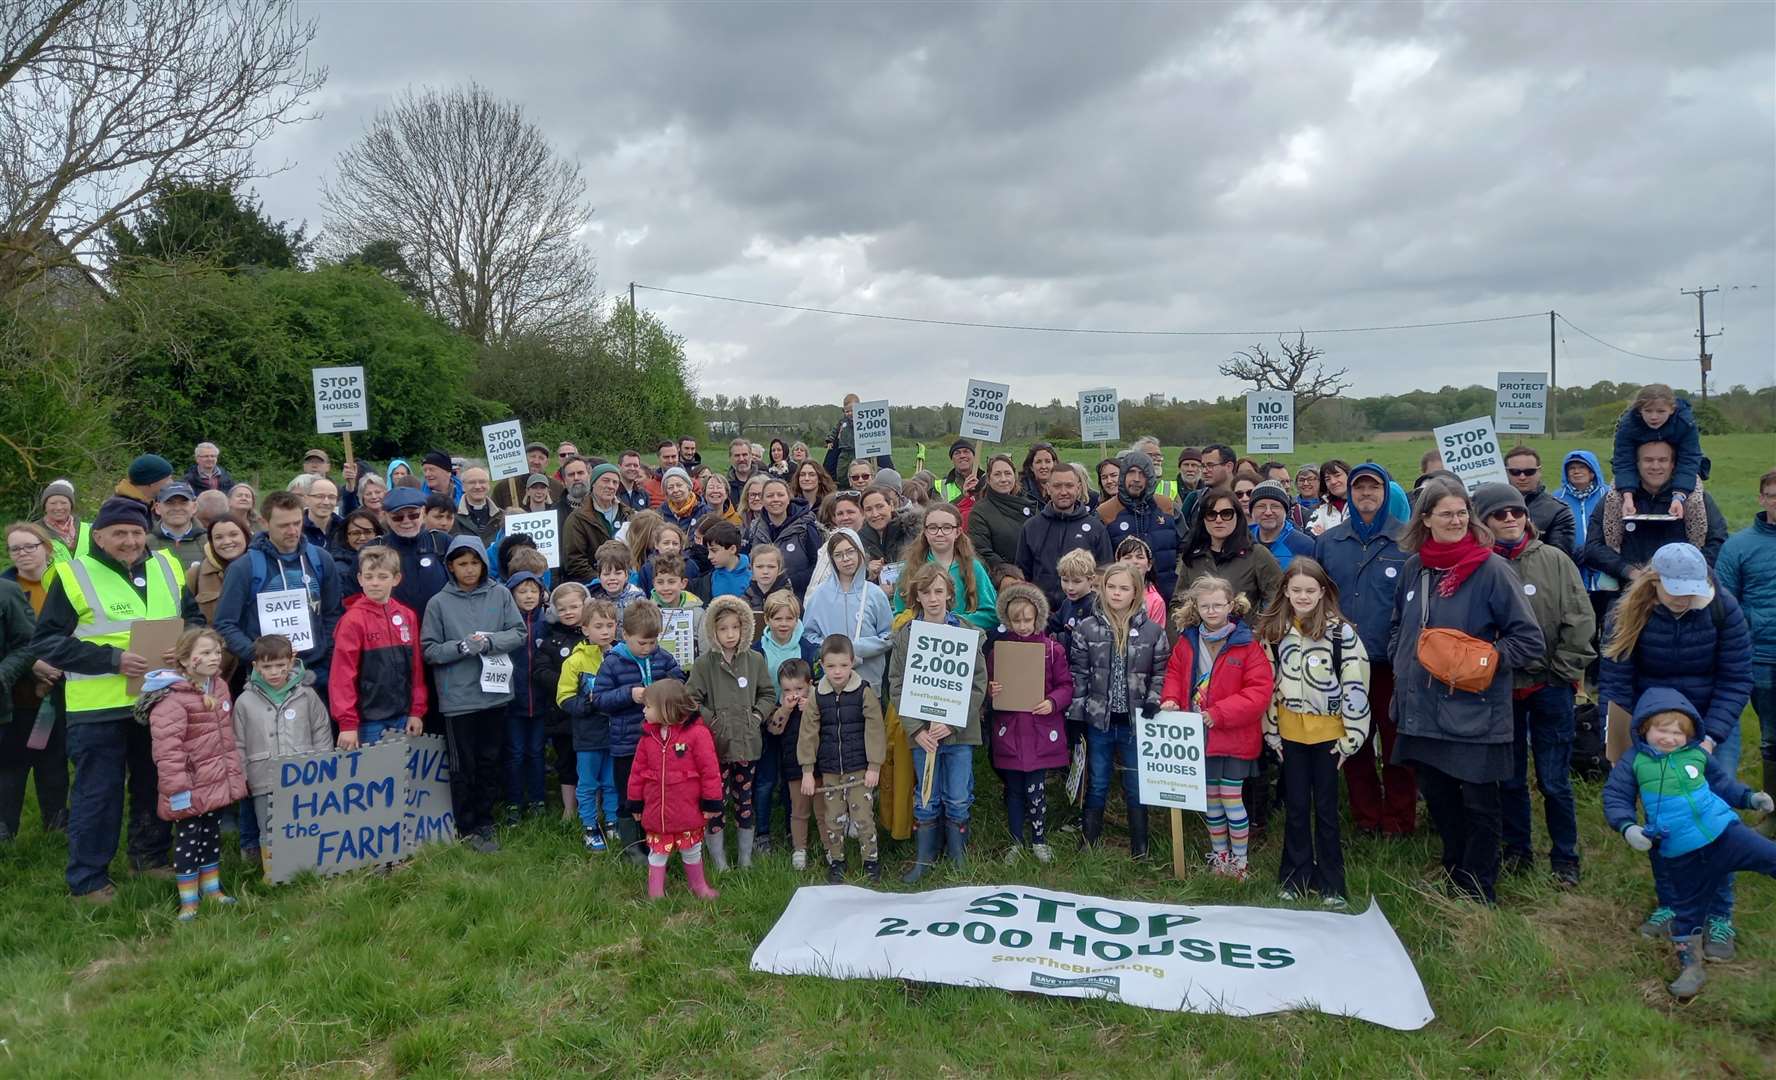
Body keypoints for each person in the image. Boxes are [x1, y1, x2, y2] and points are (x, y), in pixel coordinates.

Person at [1388, 476, 1545, 904]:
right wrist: (1403, 661)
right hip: (1421, 707)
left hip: (1473, 709)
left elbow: (1529, 640)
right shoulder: (1414, 568)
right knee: (1438, 798)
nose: (1456, 520)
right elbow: (1399, 627)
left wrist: (1480, 661)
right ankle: (1454, 870)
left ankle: (1480, 887)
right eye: (1446, 514)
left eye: (1462, 513)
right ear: (1426, 519)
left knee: (1479, 802)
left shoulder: (1491, 568)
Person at [1600, 541, 1753, 952]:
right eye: (1676, 590)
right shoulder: (1628, 611)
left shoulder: (1724, 610)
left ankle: (1720, 916)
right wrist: (1632, 743)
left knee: (1713, 818)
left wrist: (1707, 739)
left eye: (1692, 590)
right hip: (1655, 732)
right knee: (1664, 818)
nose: (1686, 599)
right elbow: (1615, 684)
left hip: (1709, 729)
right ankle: (1673, 902)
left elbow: (1736, 679)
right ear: (1655, 582)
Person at [32, 497, 187, 899]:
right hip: (97, 706)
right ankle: (88, 880)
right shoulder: (73, 575)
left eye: (136, 533)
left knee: (154, 783)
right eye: (119, 533)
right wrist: (112, 659)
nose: (130, 541)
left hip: (157, 699)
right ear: (98, 535)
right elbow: (47, 642)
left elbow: (195, 620)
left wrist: (184, 647)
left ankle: (149, 858)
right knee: (98, 793)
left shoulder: (168, 566)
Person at [1603, 688, 1776, 1000]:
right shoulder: (1634, 762)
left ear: (1690, 734)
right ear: (1644, 729)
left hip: (1725, 834)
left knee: (1770, 857)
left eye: (1677, 732)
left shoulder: (1697, 755)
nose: (1669, 738)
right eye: (1661, 730)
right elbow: (1615, 798)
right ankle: (1690, 967)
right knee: (1686, 912)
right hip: (1679, 851)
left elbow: (1723, 785)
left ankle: (1719, 924)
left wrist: (1750, 798)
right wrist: (1628, 827)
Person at [1471, 483, 1595, 886]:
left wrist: (1561, 672)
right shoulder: (1478, 564)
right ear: (1484, 522)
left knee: (1554, 779)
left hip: (1550, 687)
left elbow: (1579, 618)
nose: (1510, 519)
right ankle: (1517, 851)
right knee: (1508, 779)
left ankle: (1565, 857)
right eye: (1499, 514)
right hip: (1500, 690)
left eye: (1516, 512)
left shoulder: (1556, 561)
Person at [1257, 557, 1369, 905]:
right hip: (1290, 733)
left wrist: (1352, 737)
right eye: (1296, 590)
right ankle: (1294, 878)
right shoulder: (1273, 632)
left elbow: (1356, 682)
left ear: (1322, 592)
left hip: (1330, 735)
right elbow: (1268, 686)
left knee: (1325, 808)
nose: (1303, 597)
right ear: (1286, 592)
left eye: (1310, 590)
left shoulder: (1341, 633)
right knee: (1295, 806)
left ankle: (1332, 883)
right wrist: (1271, 732)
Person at [1313, 463, 1413, 836]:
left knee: (1395, 743)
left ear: (1386, 493)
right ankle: (1366, 817)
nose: (1366, 494)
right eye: (1359, 488)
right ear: (1349, 494)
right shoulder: (1330, 542)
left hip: (1391, 664)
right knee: (1352, 743)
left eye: (1374, 488)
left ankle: (1399, 819)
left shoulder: (1406, 541)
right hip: (1345, 664)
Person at [1160, 575, 1274, 879]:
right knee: (1210, 799)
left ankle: (1240, 862)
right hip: (1199, 735)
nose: (1212, 611)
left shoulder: (1247, 644)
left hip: (1234, 735)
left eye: (1218, 605)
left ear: (1231, 605)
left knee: (1231, 797)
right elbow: (1174, 674)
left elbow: (1259, 691)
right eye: (1205, 606)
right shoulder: (1187, 641)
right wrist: (1171, 699)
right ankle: (1219, 856)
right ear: (1196, 607)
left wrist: (1219, 713)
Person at [421, 536, 525, 853]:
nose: (469, 570)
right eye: (462, 563)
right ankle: (465, 825)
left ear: (483, 563)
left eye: (475, 562)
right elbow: (428, 650)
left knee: (489, 760)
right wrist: (461, 647)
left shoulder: (500, 594)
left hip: (494, 694)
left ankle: (485, 820)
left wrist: (490, 642)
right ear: (450, 566)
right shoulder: (438, 603)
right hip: (459, 699)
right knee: (462, 765)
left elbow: (518, 632)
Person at [888, 563, 988, 882]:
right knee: (926, 797)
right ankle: (924, 859)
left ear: (949, 595)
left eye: (939, 592)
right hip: (923, 736)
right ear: (916, 595)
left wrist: (954, 723)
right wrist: (916, 729)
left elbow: (977, 683)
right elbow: (897, 684)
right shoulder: (906, 635)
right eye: (926, 592)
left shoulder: (966, 633)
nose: (933, 599)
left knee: (958, 796)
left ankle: (958, 857)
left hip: (958, 735)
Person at [143, 628, 246, 920]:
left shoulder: (220, 688)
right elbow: (167, 749)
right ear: (186, 660)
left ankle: (212, 889)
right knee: (189, 837)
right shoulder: (172, 698)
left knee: (211, 833)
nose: (214, 658)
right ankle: (188, 899)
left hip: (214, 779)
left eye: (216, 652)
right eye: (205, 653)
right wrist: (177, 788)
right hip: (187, 784)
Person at [1071, 562, 1171, 858]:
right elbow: (1079, 675)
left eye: (1124, 588)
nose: (1116, 593)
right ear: (1102, 589)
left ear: (1136, 592)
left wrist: (1153, 699)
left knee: (1135, 782)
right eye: (1111, 586)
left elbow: (1161, 672)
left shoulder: (1153, 632)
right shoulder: (1086, 629)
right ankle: (1089, 841)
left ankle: (1140, 846)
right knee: (1098, 780)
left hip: (1135, 721)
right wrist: (1077, 716)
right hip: (1098, 720)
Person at [212, 491, 343, 686]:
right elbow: (224, 624)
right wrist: (260, 657)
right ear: (265, 523)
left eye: (297, 523)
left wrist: (327, 651)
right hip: (266, 675)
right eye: (283, 525)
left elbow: (333, 613)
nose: (292, 531)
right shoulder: (244, 567)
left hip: (317, 670)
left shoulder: (321, 559)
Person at [592, 600, 687, 864]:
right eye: (641, 643)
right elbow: (599, 699)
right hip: (627, 743)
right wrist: (628, 694)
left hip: (659, 742)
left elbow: (680, 682)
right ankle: (632, 848)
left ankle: (655, 841)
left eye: (652, 643)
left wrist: (667, 689)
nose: (647, 649)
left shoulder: (663, 658)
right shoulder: (612, 663)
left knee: (654, 793)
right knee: (628, 795)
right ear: (626, 636)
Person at [684, 597, 774, 873]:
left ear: (745, 628)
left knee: (744, 800)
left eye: (736, 627)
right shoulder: (703, 664)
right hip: (715, 747)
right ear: (713, 631)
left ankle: (745, 859)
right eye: (723, 629)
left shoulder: (755, 659)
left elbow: (768, 693)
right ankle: (719, 860)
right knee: (715, 801)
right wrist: (713, 722)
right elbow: (690, 698)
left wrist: (756, 716)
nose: (730, 634)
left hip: (747, 744)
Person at [987, 582, 1073, 863]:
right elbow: (986, 686)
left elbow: (1066, 686)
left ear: (1038, 617)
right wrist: (992, 691)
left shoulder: (1052, 650)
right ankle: (1015, 842)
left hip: (1038, 731)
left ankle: (1038, 839)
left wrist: (1053, 702)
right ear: (1007, 621)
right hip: (1009, 732)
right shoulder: (999, 651)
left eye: (1028, 619)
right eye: (1016, 620)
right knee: (1013, 790)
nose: (1023, 626)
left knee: (1037, 789)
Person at [231, 634, 331, 874]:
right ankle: (274, 873)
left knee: (305, 822)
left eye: (280, 666)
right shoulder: (244, 701)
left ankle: (307, 867)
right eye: (267, 667)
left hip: (303, 774)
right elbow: (238, 742)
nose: (274, 672)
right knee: (268, 826)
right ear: (256, 666)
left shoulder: (306, 695)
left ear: (291, 661)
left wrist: (322, 763)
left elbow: (321, 729)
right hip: (262, 777)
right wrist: (241, 775)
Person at [798, 633, 886, 883]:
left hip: (859, 767)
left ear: (852, 663)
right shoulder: (817, 695)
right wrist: (807, 770)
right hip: (830, 769)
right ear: (822, 665)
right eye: (831, 666)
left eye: (844, 665)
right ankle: (836, 860)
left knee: (863, 818)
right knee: (832, 818)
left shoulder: (863, 691)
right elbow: (808, 733)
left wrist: (874, 766)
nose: (838, 672)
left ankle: (871, 860)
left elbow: (875, 729)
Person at [1717, 468, 1776, 835]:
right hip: (1761, 657)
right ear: (1762, 499)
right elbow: (1725, 606)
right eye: (1772, 495)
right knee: (1770, 735)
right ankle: (1772, 812)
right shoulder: (1739, 546)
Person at [1582, 440, 1728, 585]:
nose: (1655, 466)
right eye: (1648, 460)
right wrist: (1627, 571)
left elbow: (1717, 541)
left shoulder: (1697, 500)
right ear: (1636, 463)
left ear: (1673, 464)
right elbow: (1593, 546)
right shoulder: (1614, 500)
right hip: (1626, 587)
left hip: (1684, 586)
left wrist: (1684, 571)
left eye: (1663, 460)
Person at [628, 679, 722, 900]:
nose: (644, 711)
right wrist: (635, 802)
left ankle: (699, 887)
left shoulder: (698, 735)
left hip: (687, 809)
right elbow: (637, 772)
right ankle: (656, 893)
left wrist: (711, 802)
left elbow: (710, 771)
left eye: (648, 706)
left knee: (691, 849)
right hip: (656, 811)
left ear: (667, 708)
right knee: (657, 853)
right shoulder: (647, 738)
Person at [329, 546, 427, 750]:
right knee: (374, 778)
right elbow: (342, 676)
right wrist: (347, 724)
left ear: (396, 578)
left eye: (382, 576)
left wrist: (416, 711)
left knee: (404, 777)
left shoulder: (407, 616)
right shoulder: (352, 621)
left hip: (403, 716)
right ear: (360, 579)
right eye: (369, 576)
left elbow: (416, 668)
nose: (375, 582)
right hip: (368, 721)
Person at [755, 593, 821, 863]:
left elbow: (818, 684)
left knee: (793, 778)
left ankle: (794, 833)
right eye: (777, 618)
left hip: (800, 724)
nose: (784, 623)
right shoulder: (758, 651)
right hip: (769, 718)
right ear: (767, 620)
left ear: (797, 619)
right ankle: (762, 833)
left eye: (789, 618)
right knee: (766, 779)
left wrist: (809, 700)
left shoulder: (807, 648)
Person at [559, 596, 618, 851]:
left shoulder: (621, 655)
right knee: (588, 783)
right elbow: (564, 697)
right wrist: (588, 704)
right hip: (588, 735)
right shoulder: (575, 661)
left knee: (612, 781)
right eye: (598, 626)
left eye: (610, 625)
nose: (605, 631)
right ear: (585, 629)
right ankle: (590, 826)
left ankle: (614, 822)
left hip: (616, 733)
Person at [803, 530, 895, 687]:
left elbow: (889, 635)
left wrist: (856, 648)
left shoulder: (875, 594)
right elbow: (808, 634)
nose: (846, 559)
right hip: (831, 684)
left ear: (859, 552)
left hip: (869, 683)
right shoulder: (819, 595)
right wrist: (833, 649)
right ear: (832, 559)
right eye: (838, 555)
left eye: (850, 552)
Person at [1017, 466, 1111, 611]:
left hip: (1084, 614)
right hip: (1041, 614)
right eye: (1057, 486)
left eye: (1069, 486)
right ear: (1048, 488)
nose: (1063, 492)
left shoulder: (1096, 529)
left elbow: (1104, 575)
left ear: (1078, 488)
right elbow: (1023, 575)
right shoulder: (1031, 527)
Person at [1176, 485, 1282, 615]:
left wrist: (1259, 630)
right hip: (1198, 633)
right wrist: (1183, 634)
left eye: (1226, 514)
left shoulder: (1257, 554)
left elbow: (1278, 600)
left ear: (1237, 516)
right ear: (1203, 519)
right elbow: (1178, 603)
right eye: (1211, 514)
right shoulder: (1193, 557)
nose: (1218, 520)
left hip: (1245, 633)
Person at [0, 564, 48, 844]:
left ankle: (4, 828)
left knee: (6, 767)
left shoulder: (7, 592)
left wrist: (3, 674)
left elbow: (29, 643)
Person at [895, 503, 997, 630]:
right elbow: (898, 613)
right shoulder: (910, 568)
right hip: (921, 642)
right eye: (933, 528)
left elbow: (991, 614)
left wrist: (953, 622)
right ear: (925, 532)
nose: (939, 533)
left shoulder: (972, 567)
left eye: (947, 527)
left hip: (962, 642)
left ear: (958, 532)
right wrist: (919, 621)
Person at [499, 570, 550, 820]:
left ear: (541, 593)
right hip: (513, 702)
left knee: (536, 751)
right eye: (522, 591)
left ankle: (538, 799)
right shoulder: (505, 622)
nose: (529, 596)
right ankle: (514, 801)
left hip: (540, 702)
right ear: (512, 594)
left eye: (533, 590)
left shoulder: (547, 623)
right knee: (515, 753)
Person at [1613, 384, 1703, 519]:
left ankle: (1696, 539)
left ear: (1672, 410)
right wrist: (1627, 495)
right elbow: (1623, 460)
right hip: (1641, 470)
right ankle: (1612, 539)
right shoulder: (1628, 425)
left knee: (1695, 501)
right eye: (1648, 411)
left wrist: (1679, 496)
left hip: (1677, 469)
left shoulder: (1685, 423)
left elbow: (1689, 459)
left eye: (1661, 411)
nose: (1654, 417)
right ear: (1639, 410)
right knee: (1613, 499)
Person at [1100, 449, 1180, 601]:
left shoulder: (1167, 507)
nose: (1136, 479)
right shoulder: (1105, 513)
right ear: (1123, 475)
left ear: (1150, 477)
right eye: (1131, 472)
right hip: (1121, 600)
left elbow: (1186, 550)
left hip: (1166, 596)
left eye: (1142, 473)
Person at [363, 487, 451, 620]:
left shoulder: (441, 542)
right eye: (398, 517)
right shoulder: (374, 549)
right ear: (386, 516)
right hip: (391, 629)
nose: (406, 521)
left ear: (423, 513)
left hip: (439, 626)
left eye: (413, 515)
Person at [1553, 450, 1613, 628]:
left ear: (1592, 471)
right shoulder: (1557, 498)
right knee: (1582, 622)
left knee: (1609, 620)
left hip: (1606, 569)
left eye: (1581, 467)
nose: (1576, 471)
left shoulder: (1609, 495)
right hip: (1574, 568)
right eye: (1572, 468)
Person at [744, 477, 823, 597]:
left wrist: (789, 581)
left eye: (780, 495)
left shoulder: (805, 527)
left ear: (788, 499)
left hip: (799, 598)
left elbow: (818, 566)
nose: (775, 499)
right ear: (762, 500)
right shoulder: (754, 529)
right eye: (770, 496)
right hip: (762, 599)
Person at [563, 463, 633, 585]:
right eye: (606, 481)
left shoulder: (628, 514)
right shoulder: (577, 519)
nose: (611, 486)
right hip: (594, 585)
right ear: (593, 483)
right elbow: (575, 561)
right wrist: (603, 580)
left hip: (628, 583)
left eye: (615, 482)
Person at [966, 454, 1036, 575]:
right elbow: (982, 552)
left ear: (1015, 476)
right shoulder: (980, 512)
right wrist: (1010, 573)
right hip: (1005, 579)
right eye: (997, 474)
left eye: (1008, 473)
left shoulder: (1031, 505)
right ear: (988, 479)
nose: (1003, 479)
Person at [1501, 447, 1576, 558]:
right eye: (1515, 472)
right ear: (1505, 472)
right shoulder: (1489, 505)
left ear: (1539, 472)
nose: (1522, 477)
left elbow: (1558, 557)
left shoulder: (1558, 511)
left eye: (1529, 472)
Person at [1249, 480, 1313, 572]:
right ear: (1252, 512)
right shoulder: (1242, 541)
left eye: (1275, 506)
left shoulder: (1304, 545)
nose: (1268, 512)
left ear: (1285, 511)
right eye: (1261, 506)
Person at [149, 483, 204, 567]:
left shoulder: (209, 542)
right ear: (157, 508)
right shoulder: (145, 544)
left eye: (183, 503)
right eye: (169, 503)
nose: (177, 508)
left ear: (194, 507)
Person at [34, 479, 89, 563]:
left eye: (64, 503)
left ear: (71, 505)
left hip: (86, 576)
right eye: (53, 503)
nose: (59, 508)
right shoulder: (33, 531)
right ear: (45, 506)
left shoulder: (89, 528)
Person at [497, 444, 563, 510]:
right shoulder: (505, 486)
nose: (536, 461)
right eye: (532, 456)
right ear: (524, 459)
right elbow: (494, 516)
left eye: (541, 458)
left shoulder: (557, 487)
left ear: (547, 463)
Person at [453, 467, 504, 547]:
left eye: (482, 482)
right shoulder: (452, 517)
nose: (477, 486)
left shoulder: (502, 517)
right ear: (463, 486)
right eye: (472, 482)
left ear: (489, 485)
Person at [1306, 460, 1350, 535]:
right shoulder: (1322, 509)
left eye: (1337, 475)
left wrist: (1326, 535)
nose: (1333, 482)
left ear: (1349, 476)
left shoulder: (1362, 506)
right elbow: (1310, 533)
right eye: (1327, 479)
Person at [939, 439, 985, 504]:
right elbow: (938, 511)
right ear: (952, 459)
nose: (962, 456)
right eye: (957, 453)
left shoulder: (988, 481)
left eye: (966, 452)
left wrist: (979, 493)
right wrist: (963, 497)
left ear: (974, 456)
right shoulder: (941, 486)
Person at [726, 437, 760, 504]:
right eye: (737, 455)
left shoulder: (765, 480)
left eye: (744, 455)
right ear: (730, 458)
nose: (741, 459)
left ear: (750, 456)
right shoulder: (725, 486)